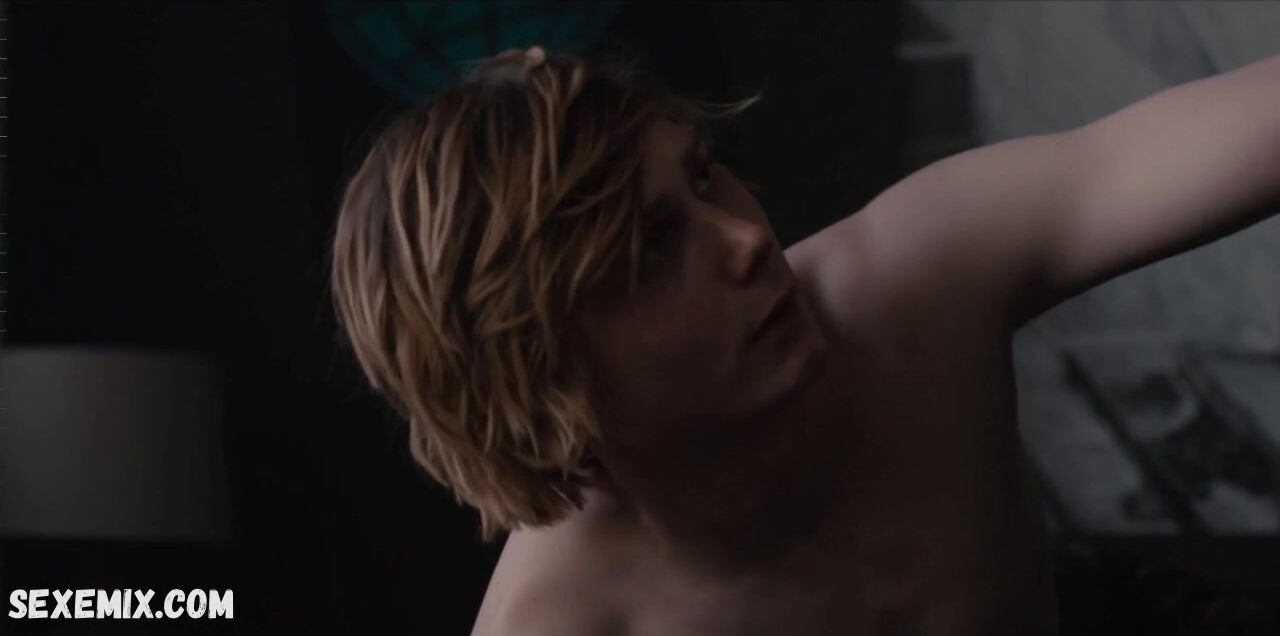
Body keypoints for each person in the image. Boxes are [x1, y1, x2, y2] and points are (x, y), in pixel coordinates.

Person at [328, 44, 1280, 635]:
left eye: (705, 177)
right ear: (538, 372)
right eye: (653, 250)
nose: (747, 241)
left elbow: (1154, 157)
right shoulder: (566, 622)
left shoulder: (911, 282)